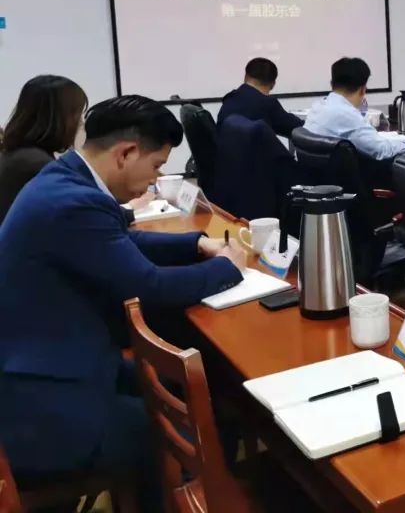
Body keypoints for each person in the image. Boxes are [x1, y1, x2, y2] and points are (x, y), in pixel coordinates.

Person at [0, 95, 247, 512]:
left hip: (56, 362)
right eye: (156, 166)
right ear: (126, 153)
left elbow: (119, 240)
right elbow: (149, 286)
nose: (155, 179)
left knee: (185, 389)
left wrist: (194, 244)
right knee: (179, 436)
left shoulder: (65, 178)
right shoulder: (74, 201)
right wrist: (227, 268)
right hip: (42, 404)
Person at [0, 75, 88, 225]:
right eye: (76, 114)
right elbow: (80, 213)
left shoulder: (20, 155)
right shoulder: (35, 164)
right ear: (58, 117)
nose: (80, 123)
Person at [304, 57, 405, 160]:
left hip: (317, 179)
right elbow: (380, 150)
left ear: (332, 84)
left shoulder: (318, 106)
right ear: (363, 90)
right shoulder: (347, 115)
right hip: (343, 180)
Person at [218, 57, 303, 138]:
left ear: (245, 77)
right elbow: (298, 128)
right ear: (273, 84)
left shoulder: (229, 99)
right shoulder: (268, 104)